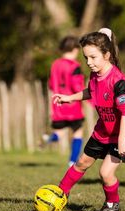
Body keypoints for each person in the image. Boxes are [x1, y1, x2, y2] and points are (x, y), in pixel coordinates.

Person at [53, 28, 125, 211]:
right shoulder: (95, 74)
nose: (89, 63)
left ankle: (112, 204)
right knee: (81, 163)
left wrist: (123, 140)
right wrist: (69, 98)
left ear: (107, 55)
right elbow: (90, 92)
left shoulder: (119, 82)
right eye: (86, 58)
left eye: (93, 57)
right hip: (103, 132)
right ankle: (59, 193)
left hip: (123, 134)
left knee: (105, 173)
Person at [43, 36, 85, 166]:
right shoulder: (74, 66)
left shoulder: (55, 65)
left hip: (58, 105)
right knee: (78, 132)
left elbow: (51, 84)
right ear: (74, 49)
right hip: (72, 105)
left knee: (60, 132)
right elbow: (77, 86)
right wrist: (88, 96)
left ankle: (49, 138)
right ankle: (72, 161)